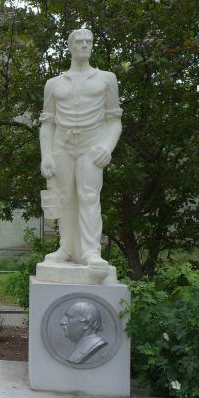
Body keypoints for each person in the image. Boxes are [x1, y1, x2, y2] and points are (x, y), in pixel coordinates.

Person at [39, 28, 123, 268]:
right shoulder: (53, 84)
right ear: (70, 46)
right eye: (80, 42)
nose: (85, 45)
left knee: (89, 196)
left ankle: (91, 251)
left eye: (89, 41)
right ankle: (65, 248)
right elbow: (48, 123)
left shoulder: (106, 79)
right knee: (64, 198)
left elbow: (114, 119)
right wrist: (46, 156)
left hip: (91, 145)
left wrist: (107, 147)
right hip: (62, 146)